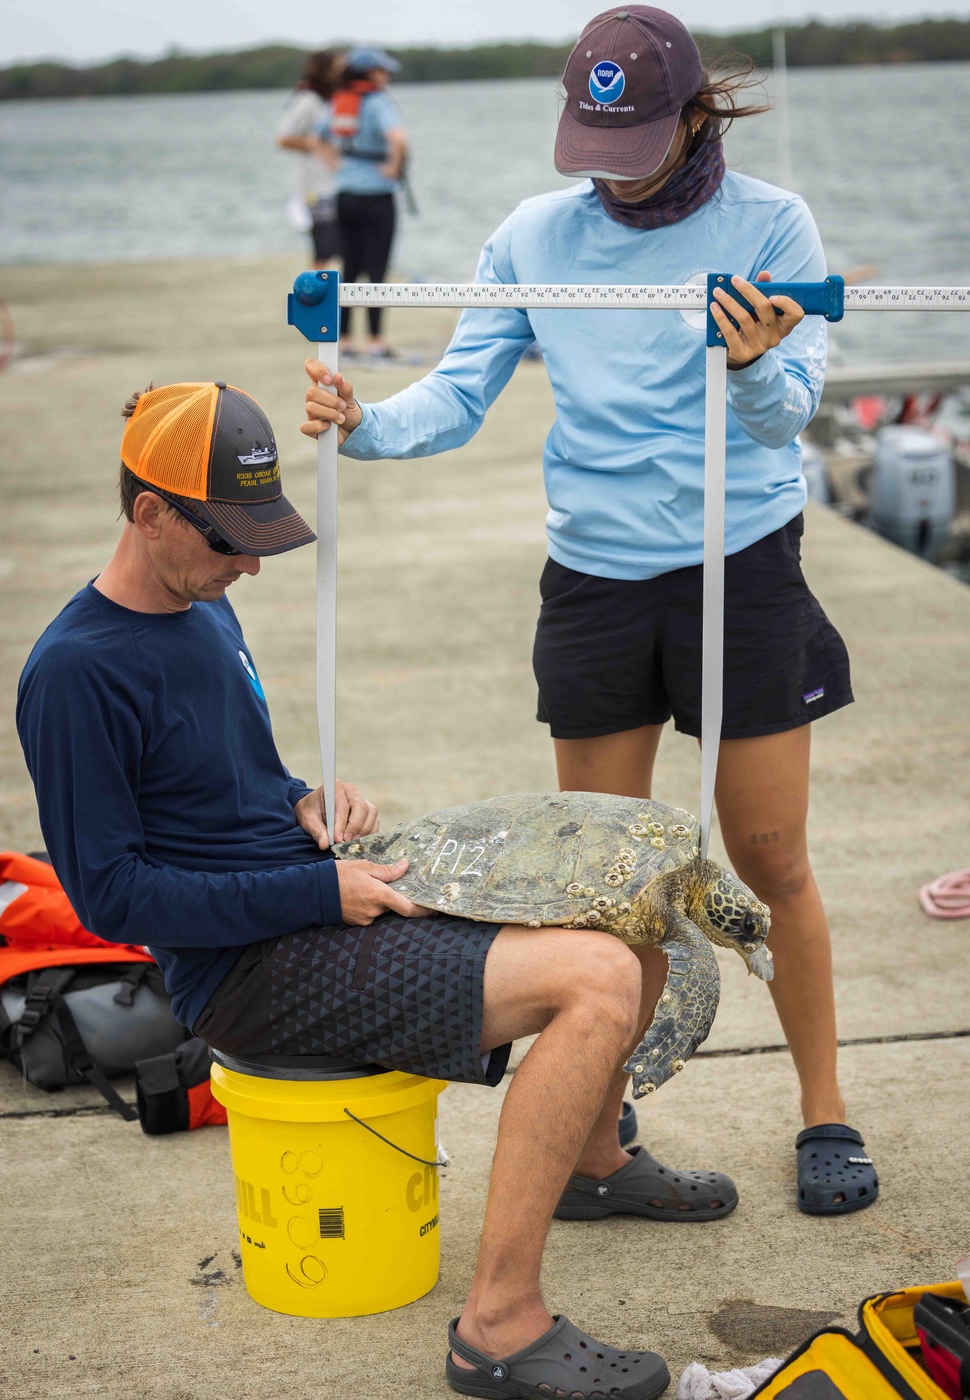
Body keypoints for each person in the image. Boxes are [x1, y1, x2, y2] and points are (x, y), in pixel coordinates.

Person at [16, 379, 736, 1400]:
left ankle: (591, 1161)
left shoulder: (199, 604)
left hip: (307, 893)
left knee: (634, 905)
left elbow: (222, 789)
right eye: (229, 538)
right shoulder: (76, 673)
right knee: (598, 980)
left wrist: (305, 801)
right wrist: (319, 893)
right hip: (245, 971)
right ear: (148, 512)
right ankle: (497, 1325)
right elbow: (113, 898)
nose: (251, 561)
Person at [302, 4, 879, 1219]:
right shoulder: (533, 234)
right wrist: (365, 421)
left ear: (690, 117)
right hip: (597, 583)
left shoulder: (772, 223)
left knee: (770, 859)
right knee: (603, 881)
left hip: (740, 563)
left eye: (633, 142)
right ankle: (598, 1136)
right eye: (590, 141)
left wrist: (753, 360)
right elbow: (458, 395)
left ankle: (825, 1110)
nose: (607, 175)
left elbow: (788, 417)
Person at [325, 46, 408, 359]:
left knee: (348, 268)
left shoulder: (340, 100)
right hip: (377, 198)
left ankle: (345, 342)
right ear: (370, 73)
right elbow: (399, 140)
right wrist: (393, 168)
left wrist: (335, 164)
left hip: (345, 196)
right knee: (377, 271)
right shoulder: (378, 102)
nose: (386, 76)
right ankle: (375, 342)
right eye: (382, 70)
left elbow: (319, 137)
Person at [277, 50, 343, 270]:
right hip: (317, 187)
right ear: (326, 70)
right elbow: (283, 138)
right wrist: (317, 145)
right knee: (323, 249)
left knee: (336, 247)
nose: (345, 71)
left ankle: (335, 299)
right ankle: (316, 300)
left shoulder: (329, 98)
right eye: (339, 67)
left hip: (334, 184)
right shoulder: (309, 100)